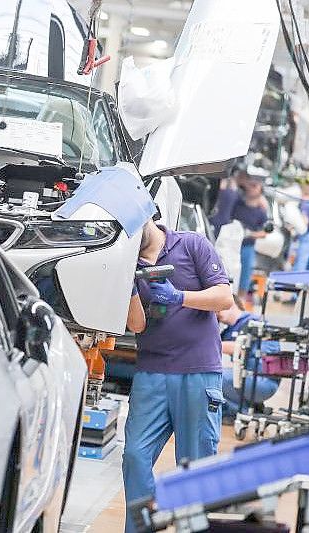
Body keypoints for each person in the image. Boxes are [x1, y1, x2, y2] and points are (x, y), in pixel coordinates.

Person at [124, 219, 233, 532]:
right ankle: (142, 526)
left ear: (149, 214)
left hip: (198, 370)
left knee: (195, 464)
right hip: (151, 373)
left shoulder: (191, 244)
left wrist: (179, 296)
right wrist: (130, 288)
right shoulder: (126, 261)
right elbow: (138, 326)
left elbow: (224, 298)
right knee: (135, 455)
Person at [217, 297, 279, 420]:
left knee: (217, 376)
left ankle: (242, 411)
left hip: (264, 381)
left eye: (217, 309)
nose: (216, 313)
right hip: (248, 379)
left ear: (231, 303)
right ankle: (252, 407)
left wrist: (206, 344)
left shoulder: (254, 321)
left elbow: (240, 347)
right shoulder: (228, 331)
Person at [211, 170, 269, 299]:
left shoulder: (261, 212)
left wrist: (251, 234)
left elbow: (265, 232)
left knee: (244, 274)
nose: (251, 188)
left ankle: (240, 301)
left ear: (260, 191)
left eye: (255, 186)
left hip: (247, 246)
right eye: (250, 185)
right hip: (231, 245)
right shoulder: (238, 203)